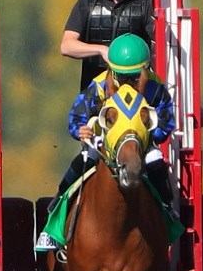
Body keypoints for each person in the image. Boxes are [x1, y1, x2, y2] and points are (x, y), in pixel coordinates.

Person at [36, 34, 176, 252]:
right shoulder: (99, 86)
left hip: (141, 144)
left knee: (155, 160)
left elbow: (167, 122)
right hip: (103, 144)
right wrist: (80, 130)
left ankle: (167, 211)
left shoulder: (156, 88)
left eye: (135, 76)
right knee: (85, 159)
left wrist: (151, 135)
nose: (129, 82)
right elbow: (77, 116)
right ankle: (55, 214)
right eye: (123, 76)